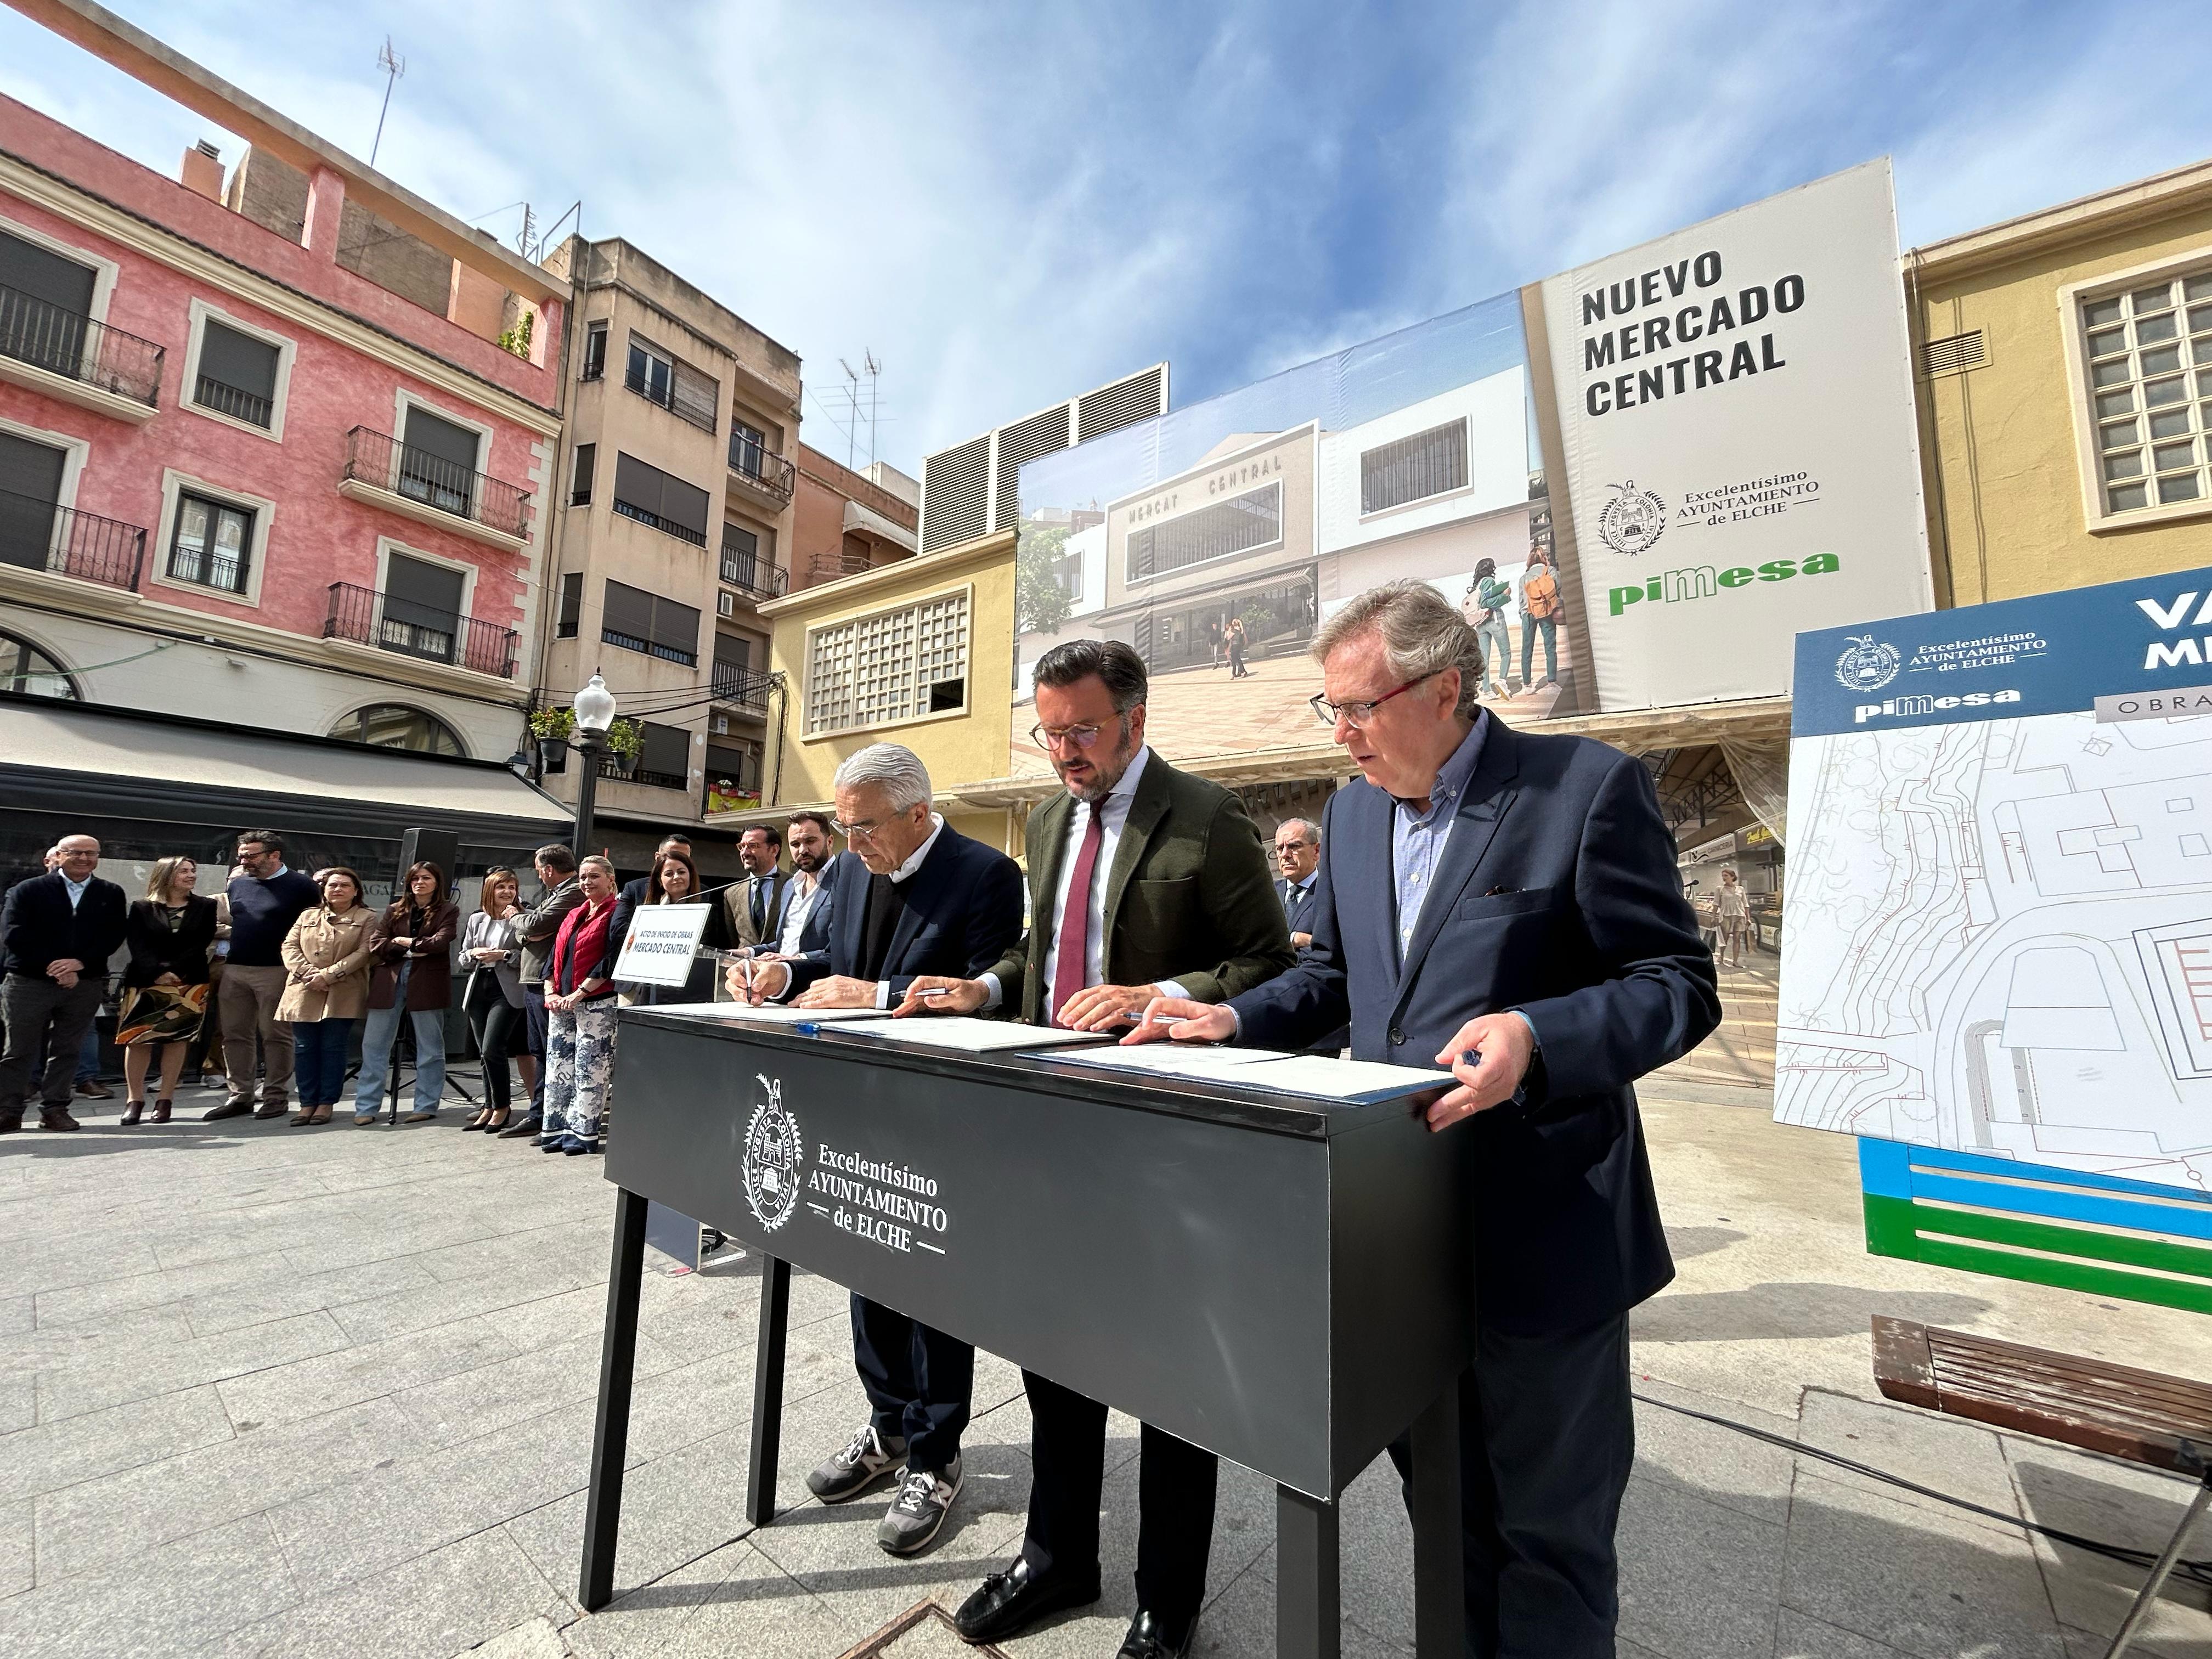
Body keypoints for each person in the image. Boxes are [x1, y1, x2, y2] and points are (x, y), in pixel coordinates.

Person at [1139, 579, 1718, 1658]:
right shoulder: (1356, 812)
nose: (1343, 733)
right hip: (1404, 1235)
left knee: (1550, 1531)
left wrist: (1539, 1038)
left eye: (1360, 707)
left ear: (1445, 687)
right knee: (1446, 1513)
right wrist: (1225, 1016)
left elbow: (1675, 984)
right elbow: (1345, 984)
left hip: (1545, 1233)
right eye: (1332, 711)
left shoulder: (1584, 789)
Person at [898, 639, 1291, 1658]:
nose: (1064, 750)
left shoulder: (1206, 816)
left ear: (1135, 718)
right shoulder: (1044, 817)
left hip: (1165, 1142)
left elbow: (1265, 961)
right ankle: (1056, 1552)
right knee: (1053, 1349)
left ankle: (1169, 1599)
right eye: (1051, 731)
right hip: (1051, 1132)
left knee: (1169, 1374)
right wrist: (982, 986)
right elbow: (1044, 949)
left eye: (1082, 730)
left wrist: (1161, 996)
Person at [726, 743, 1023, 1560]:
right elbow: (841, 967)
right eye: (844, 827)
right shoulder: (854, 871)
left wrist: (885, 997)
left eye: (862, 829)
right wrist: (784, 972)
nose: (848, 845)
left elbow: (991, 997)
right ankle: (888, 1427)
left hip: (938, 1121)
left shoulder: (986, 874)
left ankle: (935, 1454)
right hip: (857, 1114)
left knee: (931, 1289)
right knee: (868, 1279)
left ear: (918, 814)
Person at [0, 834, 127, 1133]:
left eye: (91, 854)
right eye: (76, 853)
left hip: (83, 983)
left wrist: (79, 963)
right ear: (58, 856)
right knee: (17, 1049)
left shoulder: (110, 892)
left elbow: (113, 935)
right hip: (28, 982)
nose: (84, 859)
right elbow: (14, 934)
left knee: (68, 1049)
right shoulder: (27, 890)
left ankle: (55, 1110)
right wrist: (57, 967)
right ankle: (9, 1110)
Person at [208, 831, 320, 1122]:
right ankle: (240, 1096)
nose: (244, 861)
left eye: (251, 856)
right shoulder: (239, 884)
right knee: (234, 1035)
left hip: (278, 971)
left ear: (274, 855)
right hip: (236, 969)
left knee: (276, 1036)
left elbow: (312, 930)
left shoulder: (303, 887)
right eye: (241, 855)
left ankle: (275, 1096)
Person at [353, 861, 458, 1125]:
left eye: (426, 878)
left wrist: (403, 942)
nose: (419, 883)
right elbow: (377, 944)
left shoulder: (448, 910)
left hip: (427, 982)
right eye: (414, 879)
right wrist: (411, 949)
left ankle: (426, 1104)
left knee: (430, 1047)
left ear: (437, 882)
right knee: (374, 1045)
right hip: (389, 980)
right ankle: (366, 1107)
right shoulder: (395, 910)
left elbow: (440, 943)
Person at [117, 856, 219, 1126]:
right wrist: (157, 972)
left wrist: (175, 970)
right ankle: (134, 1100)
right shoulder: (142, 907)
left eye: (193, 871)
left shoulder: (206, 906)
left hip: (189, 981)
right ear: (166, 875)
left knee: (177, 1040)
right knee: (139, 1040)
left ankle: (165, 1101)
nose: (191, 875)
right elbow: (138, 944)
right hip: (146, 981)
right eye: (183, 871)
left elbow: (201, 943)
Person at [277, 867, 381, 1126]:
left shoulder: (367, 917)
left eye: (345, 885)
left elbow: (364, 952)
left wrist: (330, 976)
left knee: (333, 1048)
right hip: (304, 989)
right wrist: (309, 974)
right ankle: (306, 1103)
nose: (338, 889)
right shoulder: (308, 915)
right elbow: (289, 946)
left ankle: (326, 1103)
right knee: (304, 1048)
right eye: (332, 885)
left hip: (343, 991)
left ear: (356, 891)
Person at [541, 854, 623, 1154]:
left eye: (594, 877)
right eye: (583, 877)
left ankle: (582, 1134)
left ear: (610, 880)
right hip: (560, 1003)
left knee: (590, 1071)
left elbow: (611, 959)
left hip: (596, 1002)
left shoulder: (616, 912)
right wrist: (550, 990)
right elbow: (553, 956)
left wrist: (579, 993)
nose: (587, 882)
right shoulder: (574, 913)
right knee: (558, 1069)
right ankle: (555, 1129)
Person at [504, 844, 583, 1142]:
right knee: (541, 1051)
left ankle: (553, 1116)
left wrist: (514, 916)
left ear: (548, 869)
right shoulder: (553, 895)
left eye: (539, 870)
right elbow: (532, 930)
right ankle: (540, 1113)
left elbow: (536, 924)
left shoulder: (571, 893)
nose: (538, 876)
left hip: (551, 983)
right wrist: (527, 928)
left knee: (556, 1053)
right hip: (536, 981)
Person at [460, 868, 528, 1131]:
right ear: (490, 890)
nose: (508, 892)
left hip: (507, 988)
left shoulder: (521, 918)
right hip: (480, 986)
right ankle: (488, 1106)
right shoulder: (477, 919)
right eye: (502, 887)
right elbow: (462, 958)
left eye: (512, 887)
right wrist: (475, 953)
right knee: (483, 1053)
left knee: (492, 1048)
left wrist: (505, 955)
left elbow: (530, 957)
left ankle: (503, 1107)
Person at [624, 848, 731, 1005]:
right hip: (651, 989)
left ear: (691, 876)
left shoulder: (709, 911)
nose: (676, 877)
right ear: (660, 880)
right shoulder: (647, 913)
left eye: (682, 872)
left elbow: (709, 950)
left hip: (692, 990)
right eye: (669, 874)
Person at [770, 810, 839, 957]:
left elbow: (840, 949)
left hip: (820, 977)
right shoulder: (790, 886)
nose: (803, 850)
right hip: (781, 977)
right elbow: (787, 943)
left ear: (830, 841)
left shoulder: (844, 880)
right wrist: (748, 952)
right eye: (795, 844)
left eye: (810, 841)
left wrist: (792, 963)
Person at [725, 825, 789, 948]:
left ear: (774, 850)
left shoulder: (793, 884)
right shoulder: (732, 893)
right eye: (742, 847)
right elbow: (733, 939)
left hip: (781, 963)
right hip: (745, 964)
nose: (745, 852)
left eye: (753, 846)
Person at [1272, 817, 1321, 951]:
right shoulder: (1267, 894)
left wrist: (1310, 941)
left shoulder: (1333, 892)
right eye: (1280, 848)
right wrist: (1295, 939)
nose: (1284, 855)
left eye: (1293, 846)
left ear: (1316, 851)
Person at [1469, 558, 1514, 697]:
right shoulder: (1489, 580)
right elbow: (1485, 603)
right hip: (1494, 620)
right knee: (1506, 653)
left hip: (1481, 624)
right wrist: (1504, 595)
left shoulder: (1477, 585)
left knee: (1484, 657)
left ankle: (1487, 690)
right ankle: (1502, 681)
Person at [1519, 545, 1561, 690]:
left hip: (1528, 613)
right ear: (1544, 558)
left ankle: (1527, 686)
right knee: (1550, 647)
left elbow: (1522, 601)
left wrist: (1523, 615)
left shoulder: (1524, 577)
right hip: (1546, 612)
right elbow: (1558, 590)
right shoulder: (1550, 571)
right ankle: (1552, 683)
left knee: (1527, 649)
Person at [1716, 867, 1751, 969]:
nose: (1724, 878)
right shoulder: (1720, 889)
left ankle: (1735, 961)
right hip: (1726, 916)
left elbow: (1745, 904)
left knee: (1737, 938)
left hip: (1739, 916)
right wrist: (1714, 916)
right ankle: (1721, 956)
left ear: (1733, 877)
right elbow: (1716, 903)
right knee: (1725, 938)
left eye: (1726, 875)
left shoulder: (1741, 889)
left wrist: (1748, 918)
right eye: (1723, 876)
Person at [1226, 613, 1250, 678]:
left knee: (1235, 659)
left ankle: (1239, 672)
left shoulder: (1234, 630)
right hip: (1238, 646)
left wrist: (1229, 630)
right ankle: (1239, 672)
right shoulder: (1240, 630)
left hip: (1235, 646)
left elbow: (1228, 637)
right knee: (1236, 659)